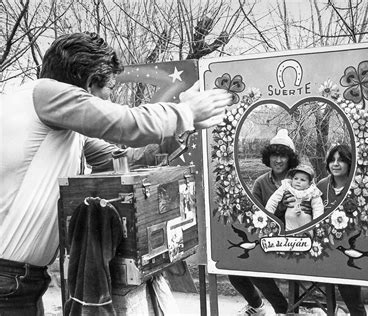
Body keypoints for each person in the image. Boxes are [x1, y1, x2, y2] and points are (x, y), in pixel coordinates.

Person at [0, 32, 232, 315]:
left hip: (23, 280)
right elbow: (125, 124)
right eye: (108, 88)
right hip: (7, 279)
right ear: (87, 85)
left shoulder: (61, 124)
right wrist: (183, 112)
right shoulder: (45, 92)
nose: (109, 98)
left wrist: (182, 127)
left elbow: (123, 160)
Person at [229, 129, 299, 316]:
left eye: (283, 155)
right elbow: (256, 216)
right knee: (235, 269)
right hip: (268, 238)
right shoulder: (261, 182)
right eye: (274, 155)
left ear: (289, 158)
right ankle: (257, 305)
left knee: (255, 267)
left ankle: (282, 309)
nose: (278, 160)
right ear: (268, 157)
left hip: (296, 239)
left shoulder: (300, 180)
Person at [316, 144, 368, 316]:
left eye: (341, 160)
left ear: (350, 163)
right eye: (332, 160)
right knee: (351, 298)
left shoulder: (361, 185)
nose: (335, 164)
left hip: (363, 247)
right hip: (336, 254)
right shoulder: (321, 186)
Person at [265, 164, 324, 231]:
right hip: (289, 225)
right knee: (289, 236)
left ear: (309, 183)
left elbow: (318, 208)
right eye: (296, 178)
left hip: (306, 225)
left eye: (302, 180)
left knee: (307, 236)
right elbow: (273, 200)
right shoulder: (287, 187)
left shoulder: (312, 192)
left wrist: (317, 225)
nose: (298, 181)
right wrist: (268, 215)